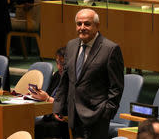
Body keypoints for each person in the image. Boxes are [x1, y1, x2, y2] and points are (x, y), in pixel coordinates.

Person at [53, 8, 124, 139]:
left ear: (97, 25)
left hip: (96, 116)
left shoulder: (110, 49)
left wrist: (106, 113)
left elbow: (116, 87)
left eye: (87, 24)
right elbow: (65, 79)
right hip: (74, 115)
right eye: (79, 24)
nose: (82, 27)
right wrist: (58, 105)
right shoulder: (71, 45)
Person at [30, 47, 69, 139]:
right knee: (26, 125)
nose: (59, 67)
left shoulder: (74, 81)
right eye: (57, 63)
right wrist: (38, 95)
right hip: (49, 116)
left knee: (36, 128)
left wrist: (47, 98)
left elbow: (68, 108)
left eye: (62, 64)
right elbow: (48, 95)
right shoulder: (57, 76)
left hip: (63, 121)